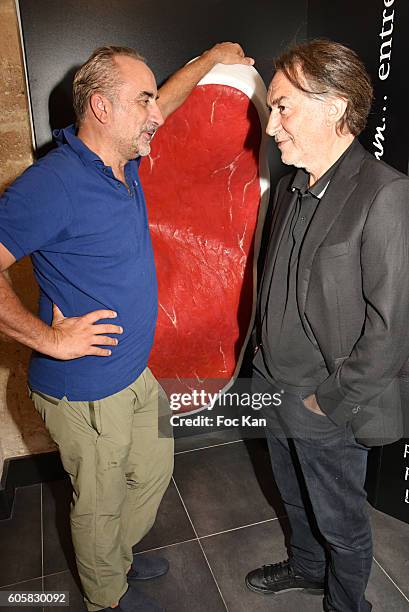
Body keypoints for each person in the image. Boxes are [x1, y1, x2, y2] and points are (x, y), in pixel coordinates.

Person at [0, 43, 253, 612]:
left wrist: (212, 57)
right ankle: (105, 596)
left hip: (133, 372)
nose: (156, 113)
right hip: (86, 392)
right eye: (141, 101)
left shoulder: (121, 160)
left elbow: (170, 95)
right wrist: (48, 339)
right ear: (101, 108)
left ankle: (115, 556)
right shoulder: (54, 184)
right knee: (99, 503)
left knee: (155, 468)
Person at [246, 39, 409, 612]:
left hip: (324, 402)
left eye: (284, 106)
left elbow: (393, 331)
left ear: (336, 107)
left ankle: (347, 604)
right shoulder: (294, 182)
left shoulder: (385, 193)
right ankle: (308, 569)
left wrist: (329, 400)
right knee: (293, 498)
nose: (271, 126)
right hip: (272, 384)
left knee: (341, 522)